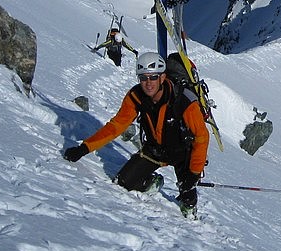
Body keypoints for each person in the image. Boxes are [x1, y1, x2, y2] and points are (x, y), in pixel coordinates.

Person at [63, 52, 210, 217]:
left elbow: (201, 137)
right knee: (124, 182)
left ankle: (190, 205)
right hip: (155, 150)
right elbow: (116, 126)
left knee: (187, 198)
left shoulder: (184, 100)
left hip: (183, 153)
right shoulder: (136, 96)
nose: (148, 83)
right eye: (143, 78)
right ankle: (153, 181)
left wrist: (194, 173)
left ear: (162, 77)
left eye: (153, 77)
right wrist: (84, 148)